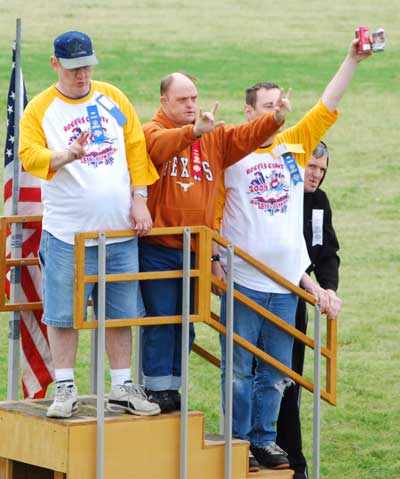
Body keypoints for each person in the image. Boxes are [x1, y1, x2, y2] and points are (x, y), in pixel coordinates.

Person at [215, 39, 371, 470]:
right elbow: (209, 213)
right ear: (248, 112)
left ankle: (265, 441)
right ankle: (237, 442)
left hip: (285, 286)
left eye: (278, 104)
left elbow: (328, 104)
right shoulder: (230, 153)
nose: (274, 111)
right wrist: (213, 262)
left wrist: (351, 59)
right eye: (266, 105)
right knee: (239, 371)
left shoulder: (294, 144)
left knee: (277, 373)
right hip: (243, 282)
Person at [19, 31, 161, 418]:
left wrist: (140, 199)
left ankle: (121, 386)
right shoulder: (41, 108)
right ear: (55, 65)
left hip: (118, 232)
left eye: (87, 67)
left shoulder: (113, 98)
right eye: (73, 69)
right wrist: (67, 155)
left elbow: (135, 149)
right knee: (64, 313)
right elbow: (29, 154)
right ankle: (64, 386)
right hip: (67, 234)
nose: (82, 75)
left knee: (121, 312)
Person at [140, 71, 291, 412]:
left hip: (196, 250)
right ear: (164, 101)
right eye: (183, 99)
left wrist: (276, 119)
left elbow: (246, 135)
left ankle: (173, 388)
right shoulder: (151, 130)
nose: (191, 104)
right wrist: (192, 132)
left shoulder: (214, 136)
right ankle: (156, 388)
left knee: (187, 322)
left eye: (194, 97)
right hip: (160, 249)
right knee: (161, 320)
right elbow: (158, 149)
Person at [276, 141, 342, 479]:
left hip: (297, 300)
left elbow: (325, 251)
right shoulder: (280, 196)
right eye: (311, 167)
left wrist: (328, 289)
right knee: (260, 378)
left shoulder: (318, 202)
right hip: (264, 294)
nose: (316, 175)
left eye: (321, 169)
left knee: (290, 381)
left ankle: (292, 461)